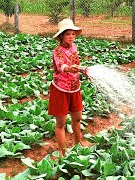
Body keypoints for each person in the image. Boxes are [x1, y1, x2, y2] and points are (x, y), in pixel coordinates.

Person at [48, 18, 86, 155]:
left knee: (77, 118)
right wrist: (69, 68)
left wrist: (82, 70)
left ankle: (78, 143)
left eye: (73, 34)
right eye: (68, 34)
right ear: (61, 36)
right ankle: (63, 152)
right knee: (60, 123)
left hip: (75, 87)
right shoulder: (57, 51)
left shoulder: (75, 48)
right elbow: (61, 66)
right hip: (61, 89)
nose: (71, 37)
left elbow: (76, 63)